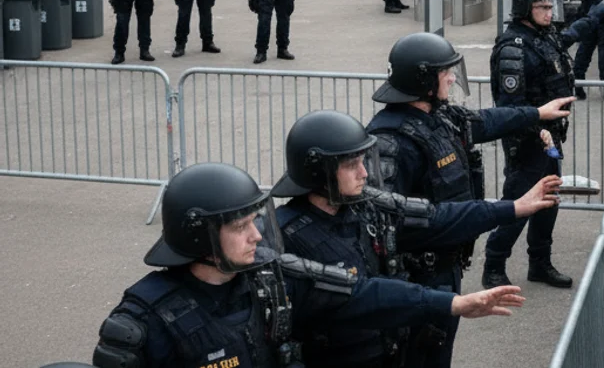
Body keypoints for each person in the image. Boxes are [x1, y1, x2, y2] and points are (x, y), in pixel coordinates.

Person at [91, 162, 526, 368]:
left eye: (253, 222)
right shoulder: (144, 322)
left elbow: (360, 294)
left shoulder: (271, 279)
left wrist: (452, 303)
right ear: (199, 236)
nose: (257, 235)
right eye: (240, 227)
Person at [270, 109, 562, 368]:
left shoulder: (363, 207)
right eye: (351, 165)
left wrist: (512, 207)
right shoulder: (286, 237)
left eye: (363, 161)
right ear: (319, 172)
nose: (363, 173)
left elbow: (437, 217)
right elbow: (363, 295)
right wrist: (450, 303)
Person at [366, 32, 576, 368]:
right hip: (417, 276)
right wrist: (511, 208)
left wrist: (536, 113)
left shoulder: (439, 116)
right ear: (423, 80)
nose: (451, 77)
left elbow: (486, 121)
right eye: (444, 72)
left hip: (446, 266)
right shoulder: (391, 141)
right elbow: (404, 221)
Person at [482, 0, 604, 289]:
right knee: (518, 204)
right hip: (528, 141)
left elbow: (564, 40)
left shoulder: (542, 36)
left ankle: (539, 263)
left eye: (550, 5)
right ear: (524, 8)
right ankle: (494, 265)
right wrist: (537, 128)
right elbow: (510, 104)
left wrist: (593, 17)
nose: (549, 12)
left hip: (550, 139)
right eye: (542, 6)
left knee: (549, 201)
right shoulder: (513, 49)